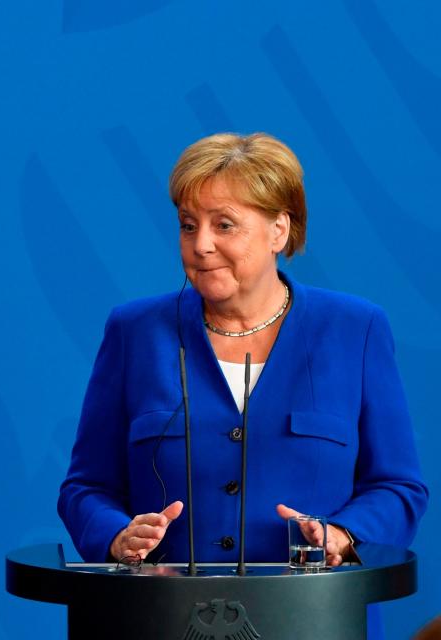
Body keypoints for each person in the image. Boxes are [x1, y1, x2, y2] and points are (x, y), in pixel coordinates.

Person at [58, 132, 427, 636]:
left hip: (317, 622)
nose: (201, 244)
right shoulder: (134, 332)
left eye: (224, 225)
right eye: (189, 226)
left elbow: (398, 486)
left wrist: (344, 534)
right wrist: (118, 536)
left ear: (280, 229)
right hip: (156, 622)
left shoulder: (354, 329)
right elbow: (86, 487)